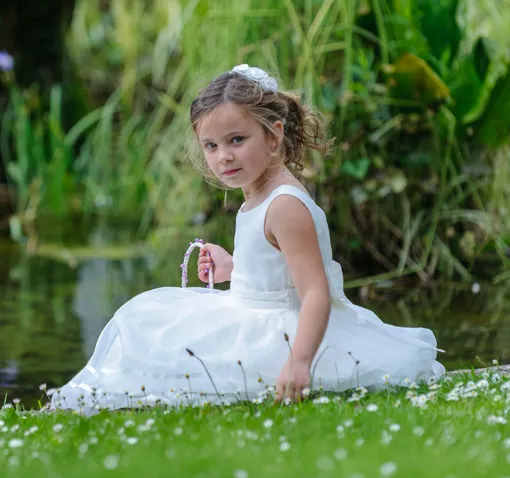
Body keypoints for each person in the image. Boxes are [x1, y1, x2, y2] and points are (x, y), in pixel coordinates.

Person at [48, 64, 444, 414]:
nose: (224, 157)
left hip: (286, 331)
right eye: (212, 146)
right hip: (256, 309)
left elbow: (315, 293)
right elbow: (277, 271)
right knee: (143, 321)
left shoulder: (285, 205)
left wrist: (299, 361)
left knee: (166, 343)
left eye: (237, 140)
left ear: (273, 136)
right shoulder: (259, 189)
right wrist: (234, 268)